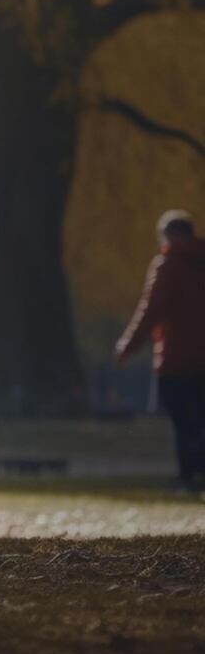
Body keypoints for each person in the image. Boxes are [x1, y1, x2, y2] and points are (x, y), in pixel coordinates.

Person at [116, 209, 205, 490]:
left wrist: (127, 346)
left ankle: (188, 474)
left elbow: (150, 310)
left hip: (177, 357)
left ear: (168, 235)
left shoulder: (166, 266)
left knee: (183, 420)